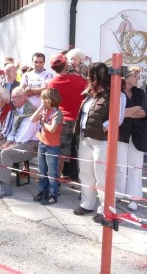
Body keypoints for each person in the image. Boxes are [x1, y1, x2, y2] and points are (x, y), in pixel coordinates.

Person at [73, 62, 126, 224]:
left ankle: (105, 209)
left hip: (101, 140)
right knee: (85, 172)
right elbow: (84, 113)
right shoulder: (90, 93)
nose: (90, 79)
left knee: (102, 175)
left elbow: (117, 118)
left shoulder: (116, 93)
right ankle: (87, 203)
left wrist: (103, 128)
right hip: (85, 137)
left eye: (92, 76)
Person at [0, 86, 38, 198]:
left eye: (16, 97)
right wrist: (9, 141)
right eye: (12, 97)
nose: (13, 100)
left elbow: (26, 134)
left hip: (29, 144)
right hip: (18, 142)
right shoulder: (17, 111)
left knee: (5, 153)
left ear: (24, 97)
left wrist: (11, 144)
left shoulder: (31, 111)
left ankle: (5, 187)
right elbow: (13, 131)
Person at [47, 53, 87, 180]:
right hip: (79, 120)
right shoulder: (80, 80)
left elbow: (51, 103)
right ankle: (83, 180)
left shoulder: (52, 83)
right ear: (66, 64)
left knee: (61, 154)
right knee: (82, 152)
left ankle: (56, 180)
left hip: (63, 121)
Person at [117, 67, 145, 211]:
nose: (138, 78)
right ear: (126, 76)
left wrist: (125, 113)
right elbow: (115, 112)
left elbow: (144, 112)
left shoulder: (140, 92)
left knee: (136, 166)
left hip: (137, 135)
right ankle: (118, 193)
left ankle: (134, 197)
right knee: (120, 167)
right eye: (136, 75)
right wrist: (135, 109)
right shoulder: (117, 91)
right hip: (121, 134)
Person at [30, 88, 64, 205]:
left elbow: (52, 129)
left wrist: (44, 123)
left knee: (52, 172)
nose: (42, 101)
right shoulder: (44, 110)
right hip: (42, 143)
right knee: (42, 170)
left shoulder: (57, 113)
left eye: (43, 99)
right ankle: (43, 190)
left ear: (50, 99)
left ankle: (53, 193)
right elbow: (32, 119)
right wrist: (41, 107)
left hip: (52, 146)